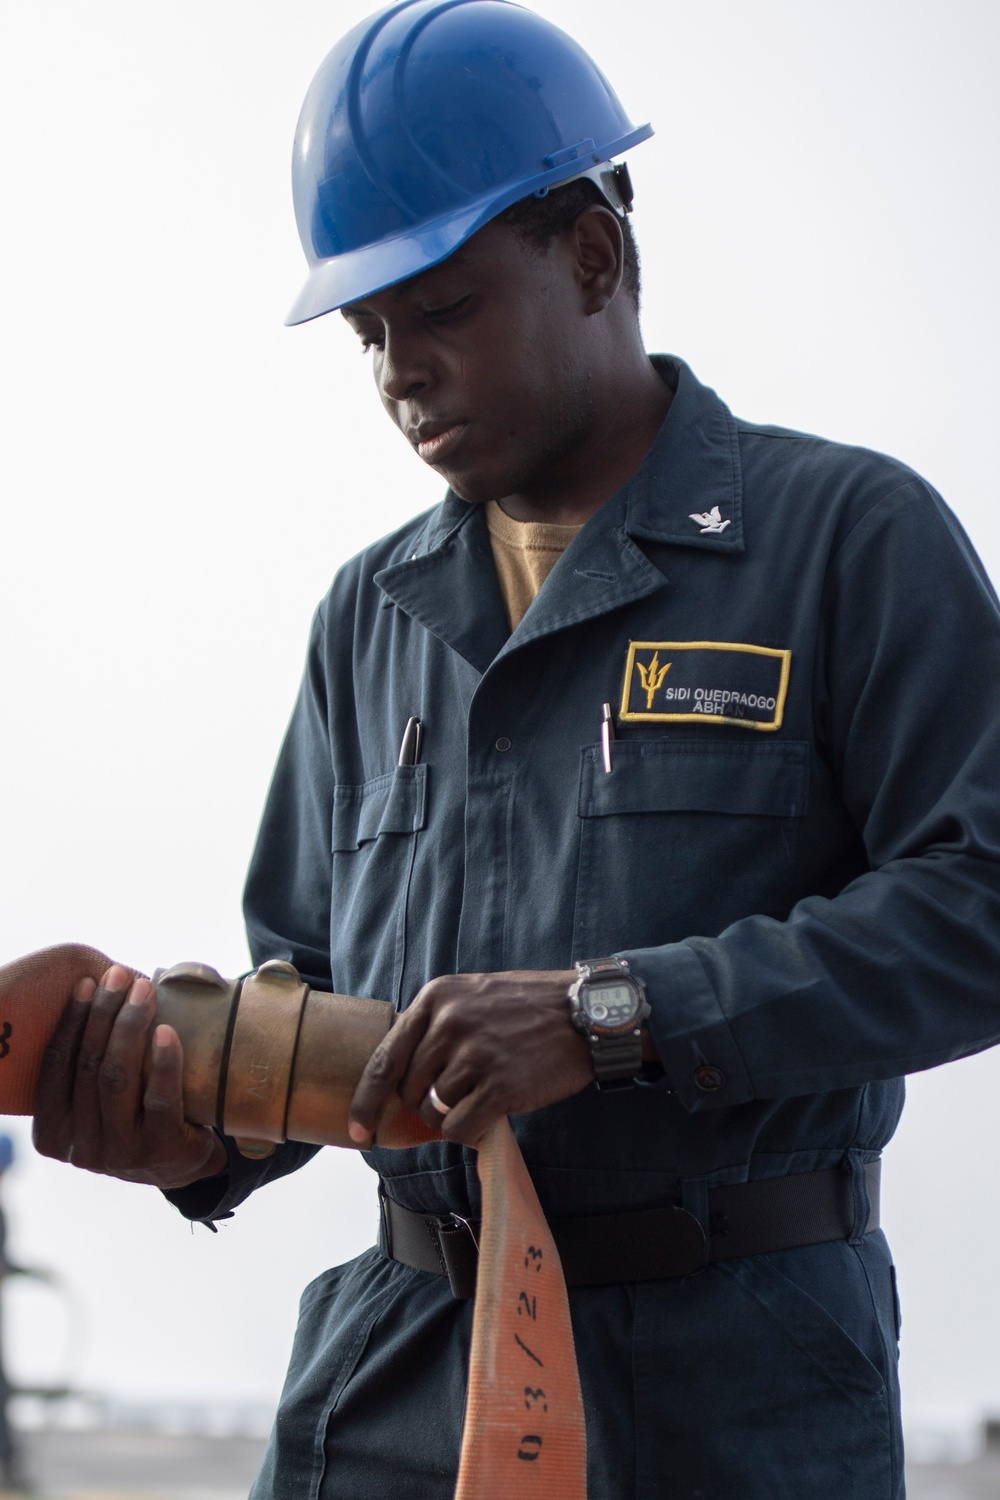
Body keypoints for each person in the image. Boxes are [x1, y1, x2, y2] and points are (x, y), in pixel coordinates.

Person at [31, 2, 1000, 1496]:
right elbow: (308, 996)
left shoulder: (847, 545)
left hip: (735, 1398)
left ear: (596, 257)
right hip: (400, 1387)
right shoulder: (371, 615)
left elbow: (980, 906)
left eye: (443, 310)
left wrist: (616, 1016)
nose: (398, 371)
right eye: (369, 333)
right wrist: (197, 1143)